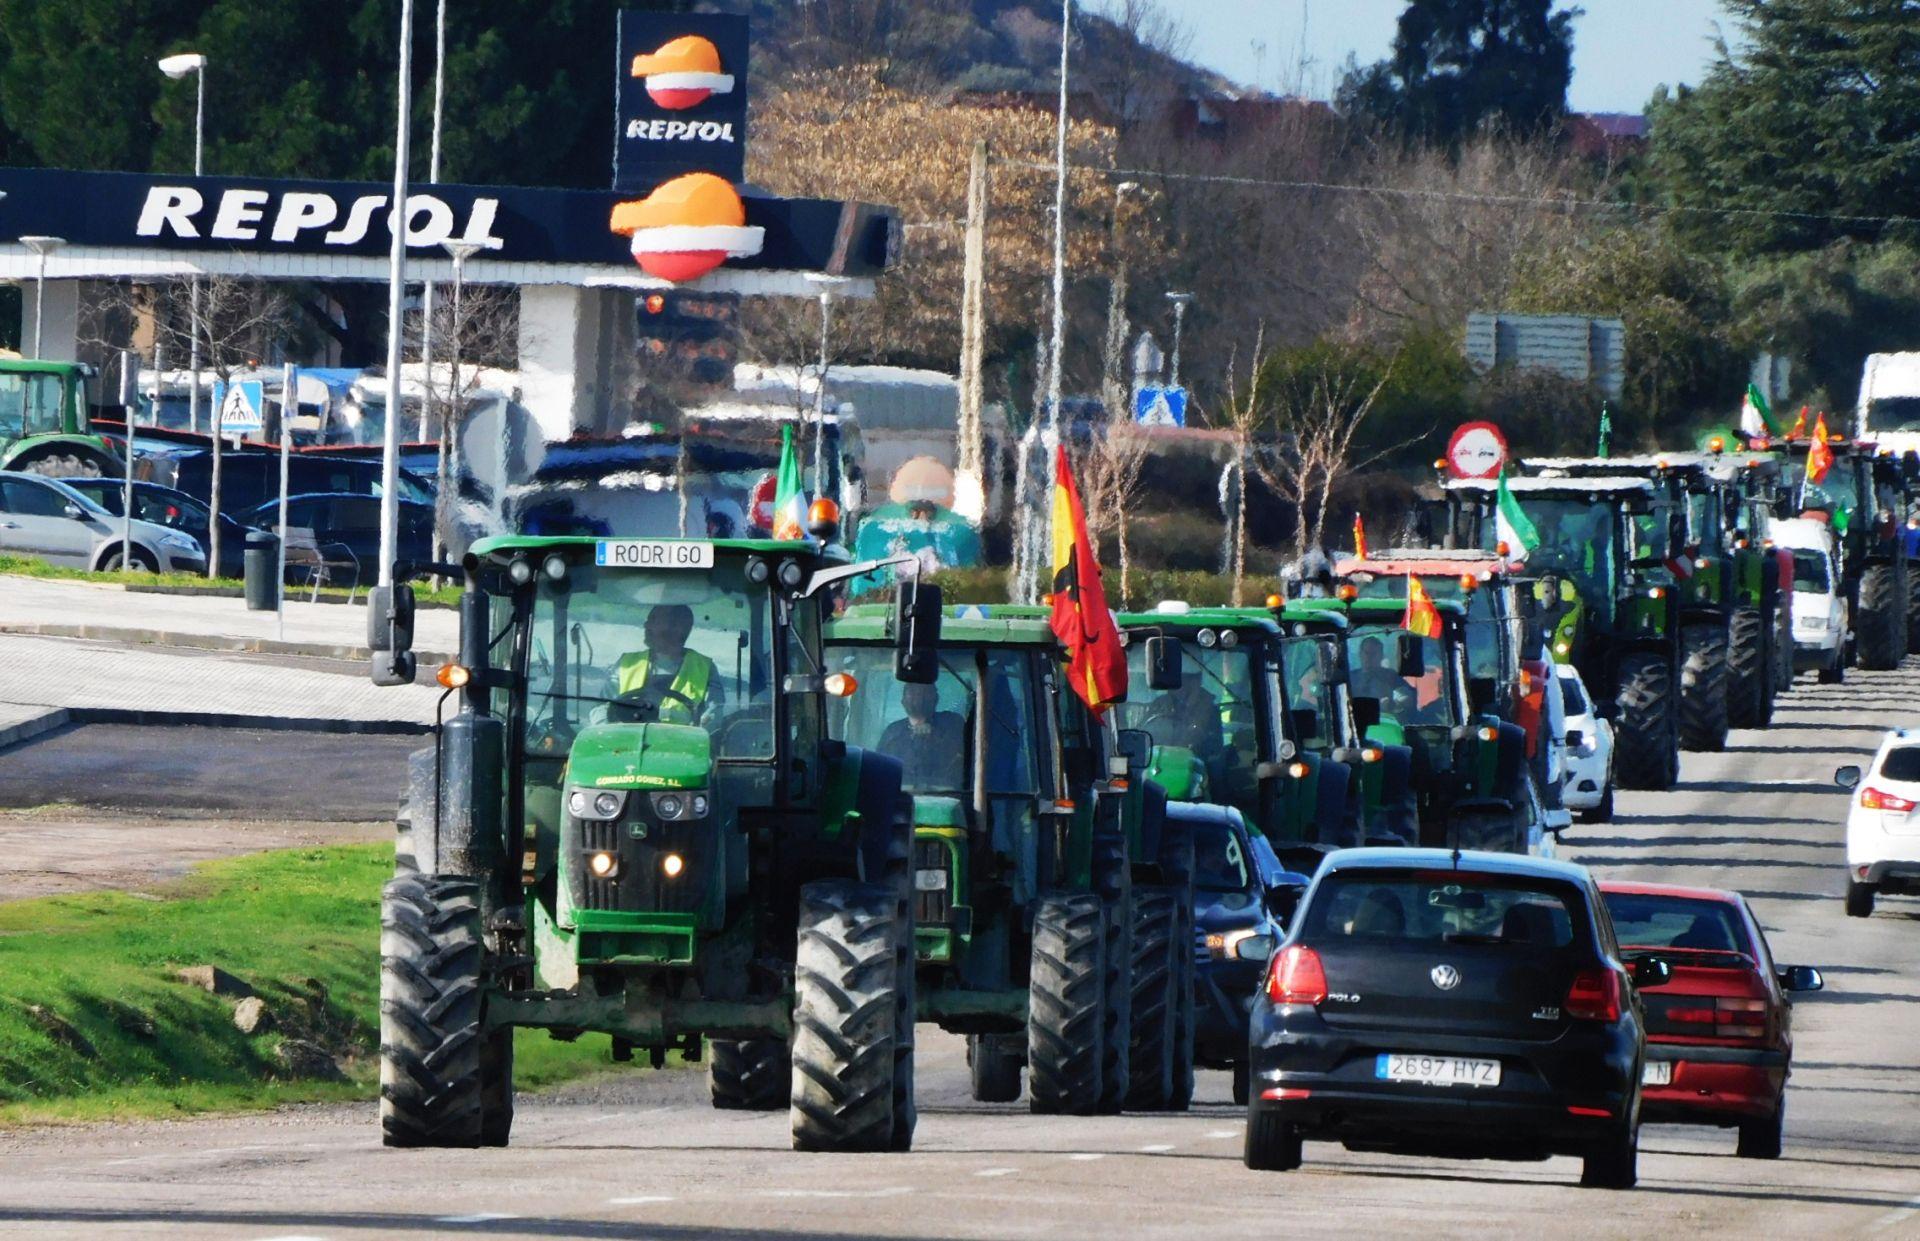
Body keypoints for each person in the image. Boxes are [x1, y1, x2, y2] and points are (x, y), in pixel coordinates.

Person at [612, 604, 721, 725]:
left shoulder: (705, 668)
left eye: (654, 620)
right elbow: (601, 707)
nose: (646, 625)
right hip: (625, 741)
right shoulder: (626, 663)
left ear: (678, 629)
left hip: (682, 742)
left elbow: (712, 717)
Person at [876, 682, 967, 789]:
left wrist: (936, 738)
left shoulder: (953, 724)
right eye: (913, 693)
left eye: (925, 693)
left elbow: (962, 756)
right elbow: (881, 768)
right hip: (902, 796)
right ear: (903, 701)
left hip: (948, 794)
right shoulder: (892, 732)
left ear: (936, 698)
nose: (919, 698)